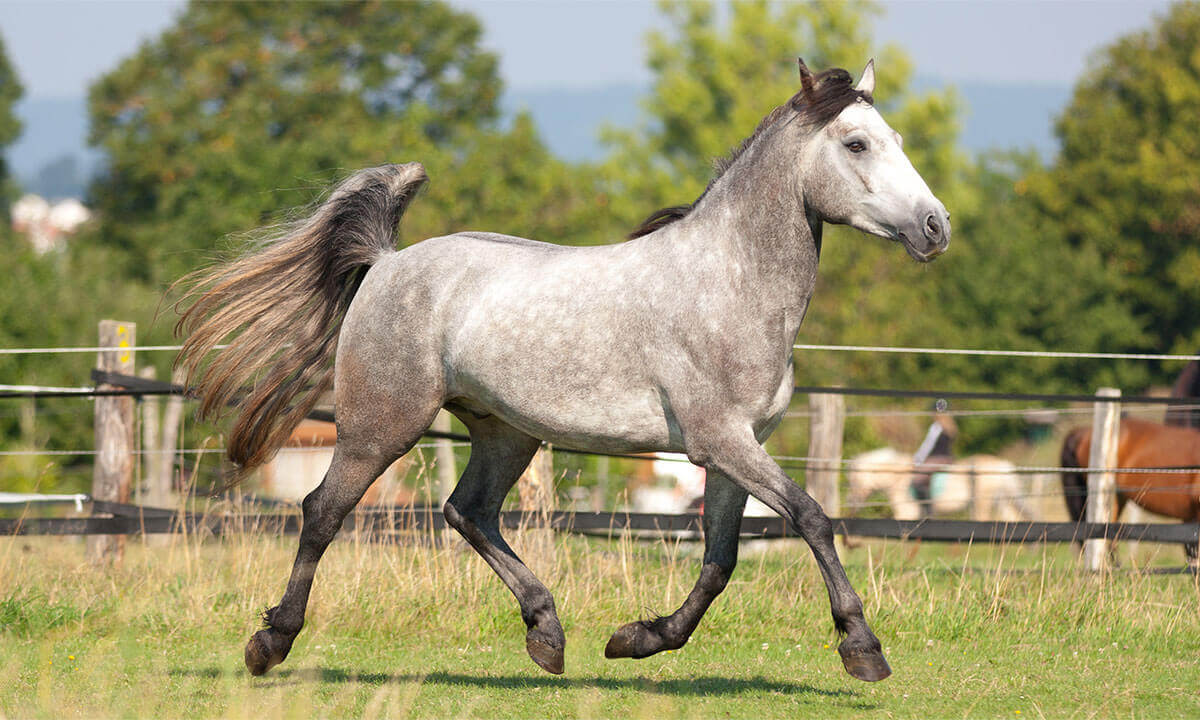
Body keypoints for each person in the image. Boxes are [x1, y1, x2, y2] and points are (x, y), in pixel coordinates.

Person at [910, 408, 958, 512]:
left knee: (917, 480)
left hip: (936, 459)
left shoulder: (936, 427)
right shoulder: (951, 427)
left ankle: (927, 510)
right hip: (947, 459)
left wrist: (917, 460)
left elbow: (927, 445)